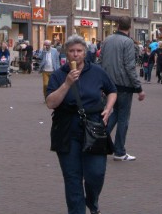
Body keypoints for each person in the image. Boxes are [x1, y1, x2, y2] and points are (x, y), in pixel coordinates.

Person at [47, 35, 117, 214]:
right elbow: (51, 103)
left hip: (93, 126)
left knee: (96, 173)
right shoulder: (58, 75)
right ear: (66, 53)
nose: (75, 54)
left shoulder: (97, 72)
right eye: (71, 51)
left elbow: (112, 91)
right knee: (72, 178)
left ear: (85, 53)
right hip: (66, 129)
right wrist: (67, 84)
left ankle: (92, 201)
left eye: (79, 51)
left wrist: (108, 109)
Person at [100, 16, 145, 162]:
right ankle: (119, 151)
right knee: (123, 118)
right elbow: (129, 67)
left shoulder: (107, 40)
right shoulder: (128, 42)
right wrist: (139, 88)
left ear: (118, 25)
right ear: (130, 27)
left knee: (115, 113)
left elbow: (100, 61)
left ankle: (98, 140)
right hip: (123, 86)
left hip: (108, 85)